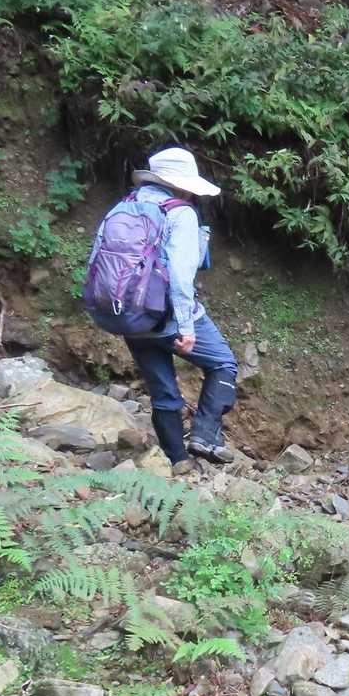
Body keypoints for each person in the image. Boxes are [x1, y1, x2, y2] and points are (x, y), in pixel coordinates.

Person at [120, 147, 239, 466]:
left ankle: (177, 463)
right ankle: (204, 435)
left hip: (129, 316)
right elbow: (181, 277)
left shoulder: (127, 205)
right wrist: (186, 327)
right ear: (181, 184)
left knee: (163, 393)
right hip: (167, 315)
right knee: (223, 363)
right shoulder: (181, 213)